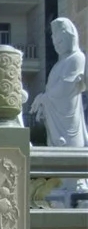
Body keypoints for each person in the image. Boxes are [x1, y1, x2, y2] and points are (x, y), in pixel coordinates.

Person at [30, 18, 88, 148]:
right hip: (55, 115)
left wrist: (44, 98)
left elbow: (65, 87)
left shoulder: (77, 58)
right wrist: (43, 100)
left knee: (71, 145)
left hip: (68, 114)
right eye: (55, 43)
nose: (57, 46)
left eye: (60, 42)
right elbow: (51, 88)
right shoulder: (59, 64)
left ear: (70, 37)